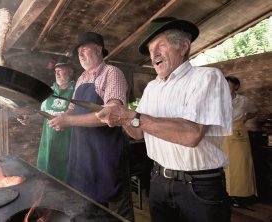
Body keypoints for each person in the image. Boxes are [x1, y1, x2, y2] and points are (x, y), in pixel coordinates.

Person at [95, 17, 232, 222]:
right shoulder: (152, 87)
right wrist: (121, 118)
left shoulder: (207, 77)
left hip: (199, 185)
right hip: (158, 180)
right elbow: (138, 131)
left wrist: (132, 116)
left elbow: (191, 135)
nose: (154, 55)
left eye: (161, 46)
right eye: (151, 51)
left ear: (183, 46)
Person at [48, 32, 134, 221]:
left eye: (84, 49)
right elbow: (71, 110)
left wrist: (69, 121)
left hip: (106, 155)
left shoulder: (112, 73)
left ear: (99, 50)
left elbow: (112, 113)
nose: (80, 54)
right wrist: (61, 117)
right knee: (86, 210)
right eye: (78, 51)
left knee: (115, 213)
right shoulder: (81, 79)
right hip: (82, 157)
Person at [18, 60, 75, 182]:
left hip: (68, 145)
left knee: (67, 182)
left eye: (60, 70)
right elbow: (43, 113)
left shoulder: (76, 91)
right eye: (55, 71)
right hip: (48, 143)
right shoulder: (48, 92)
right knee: (47, 181)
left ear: (70, 72)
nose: (57, 73)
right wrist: (31, 119)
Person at [223, 76, 258, 207]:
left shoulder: (244, 100)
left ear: (236, 87)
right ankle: (227, 194)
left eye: (229, 85)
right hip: (223, 133)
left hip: (239, 133)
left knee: (242, 163)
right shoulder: (218, 100)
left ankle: (243, 195)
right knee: (225, 163)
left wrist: (243, 119)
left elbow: (254, 111)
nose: (225, 88)